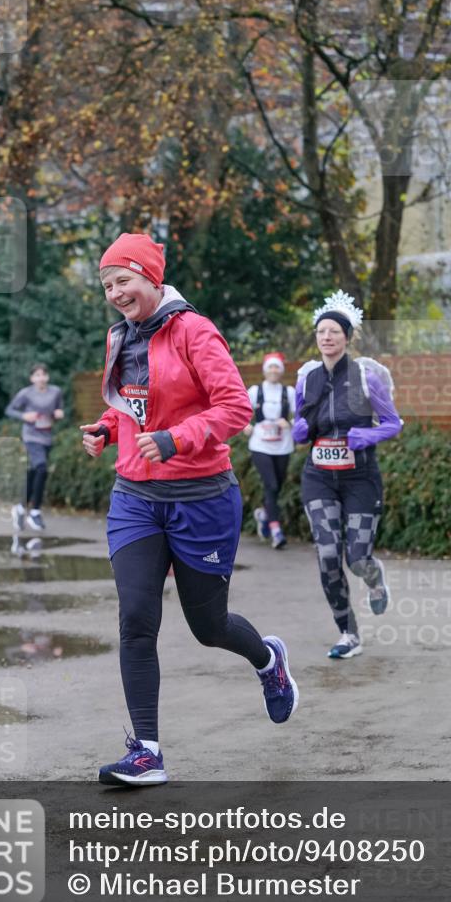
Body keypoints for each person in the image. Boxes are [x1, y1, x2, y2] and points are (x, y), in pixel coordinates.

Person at [81, 232, 298, 786]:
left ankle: (268, 661)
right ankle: (146, 752)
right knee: (135, 621)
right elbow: (133, 406)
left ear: (150, 277)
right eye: (107, 285)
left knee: (208, 625)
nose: (114, 293)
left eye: (122, 281)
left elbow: (234, 408)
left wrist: (178, 439)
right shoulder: (119, 337)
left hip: (201, 497)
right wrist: (107, 430)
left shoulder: (194, 331)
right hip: (135, 496)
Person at [293, 290, 402, 660]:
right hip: (319, 477)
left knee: (356, 559)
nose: (326, 337)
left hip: (360, 478)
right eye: (321, 331)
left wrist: (366, 436)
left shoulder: (367, 376)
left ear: (347, 336)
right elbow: (300, 420)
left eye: (334, 331)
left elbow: (393, 423)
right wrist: (299, 431)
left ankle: (374, 578)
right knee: (327, 555)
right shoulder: (307, 378)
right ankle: (348, 633)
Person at [243, 352, 295, 549]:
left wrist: (289, 423)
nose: (274, 371)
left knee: (277, 486)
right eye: (270, 367)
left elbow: (302, 416)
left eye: (277, 367)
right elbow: (238, 411)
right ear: (265, 370)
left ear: (281, 371)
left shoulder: (288, 392)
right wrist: (245, 427)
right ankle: (276, 531)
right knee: (271, 485)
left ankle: (263, 514)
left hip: (283, 446)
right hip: (260, 445)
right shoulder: (255, 391)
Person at [6, 363, 64, 532]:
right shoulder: (26, 393)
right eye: (37, 375)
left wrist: (58, 414)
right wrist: (24, 415)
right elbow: (9, 410)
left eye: (43, 374)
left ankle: (20, 508)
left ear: (47, 377)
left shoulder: (56, 392)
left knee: (34, 472)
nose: (41, 378)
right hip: (31, 437)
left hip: (46, 437)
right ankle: (35, 511)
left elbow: (57, 410)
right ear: (32, 378)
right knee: (42, 468)